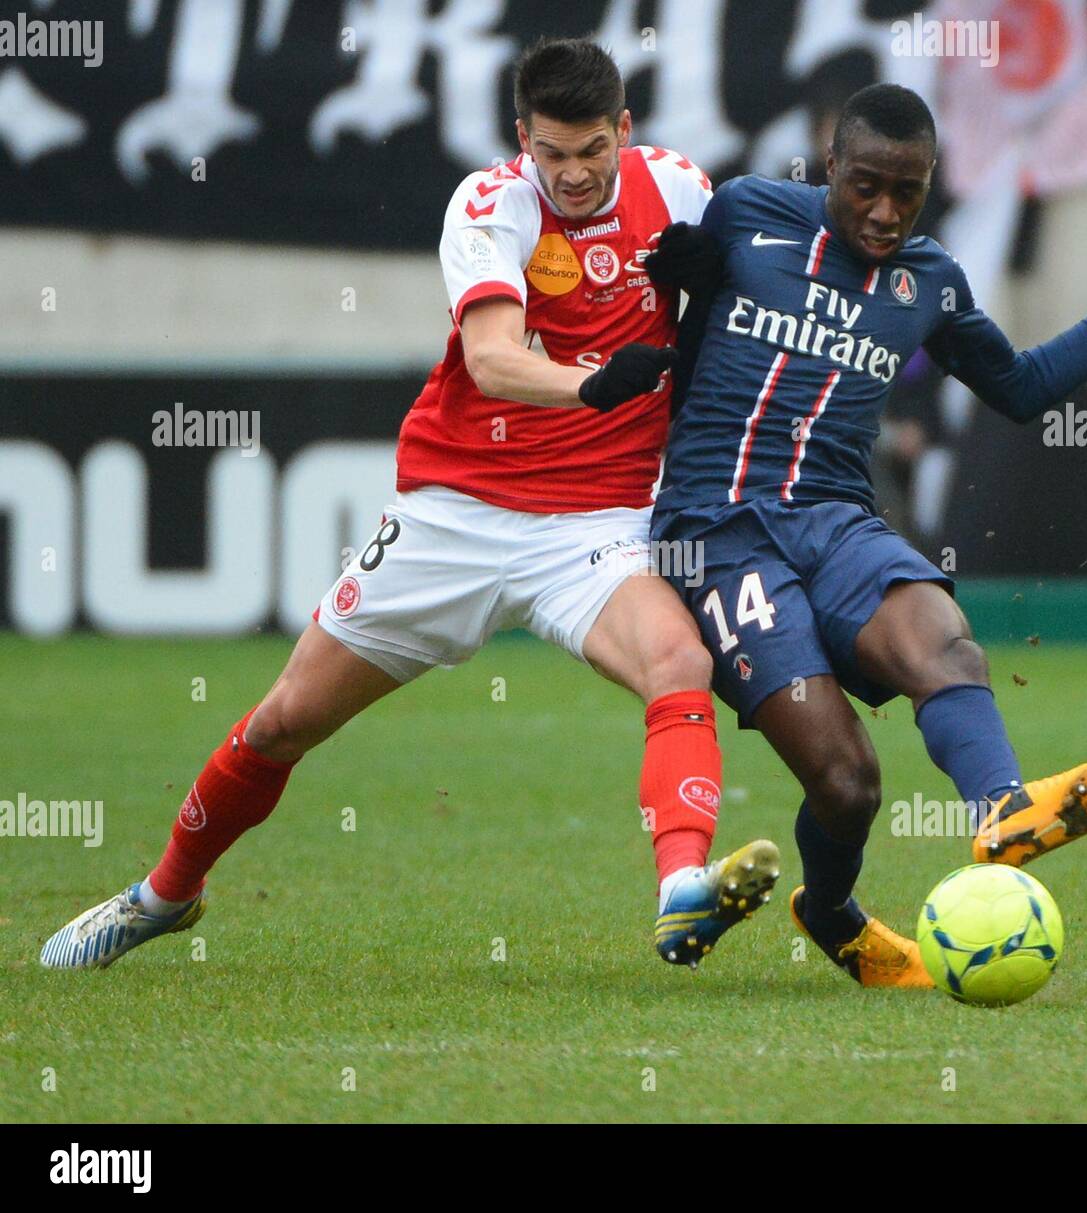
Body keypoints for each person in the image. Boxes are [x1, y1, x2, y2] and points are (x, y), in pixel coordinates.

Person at [40, 38, 780, 974]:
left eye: (593, 150)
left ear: (625, 131)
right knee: (281, 722)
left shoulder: (680, 190)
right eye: (553, 154)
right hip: (456, 511)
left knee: (678, 658)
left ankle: (680, 888)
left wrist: (709, 296)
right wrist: (596, 385)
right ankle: (163, 894)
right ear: (523, 140)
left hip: (596, 522)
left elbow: (750, 308)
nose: (576, 174)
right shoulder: (489, 203)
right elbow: (491, 359)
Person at [644, 83, 1087, 989]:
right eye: (866, 186)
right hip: (720, 531)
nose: (887, 212)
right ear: (827, 169)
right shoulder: (745, 217)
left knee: (943, 640)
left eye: (910, 190)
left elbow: (1021, 387)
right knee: (848, 782)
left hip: (838, 520)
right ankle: (834, 911)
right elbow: (631, 272)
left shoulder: (927, 279)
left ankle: (1005, 807)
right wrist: (667, 287)